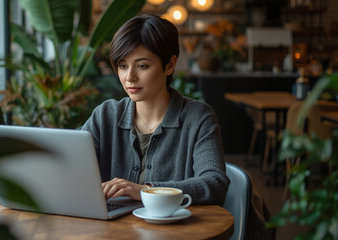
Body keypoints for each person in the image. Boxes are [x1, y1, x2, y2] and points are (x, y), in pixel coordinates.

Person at [81, 14, 229, 205]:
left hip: (174, 231)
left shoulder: (198, 117)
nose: (130, 77)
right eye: (123, 66)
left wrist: (147, 190)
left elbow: (215, 183)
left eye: (142, 66)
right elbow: (70, 163)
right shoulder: (105, 115)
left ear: (169, 65)